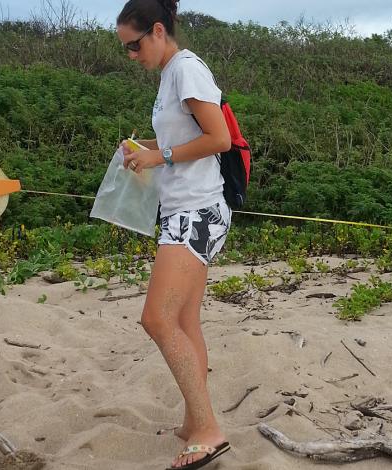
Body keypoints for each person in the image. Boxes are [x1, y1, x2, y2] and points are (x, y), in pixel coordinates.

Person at [116, 0, 232, 468]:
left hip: (197, 211)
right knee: (184, 321)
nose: (131, 55)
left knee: (157, 320)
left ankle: (208, 429)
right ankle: (194, 417)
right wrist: (144, 147)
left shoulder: (186, 69)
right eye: (125, 48)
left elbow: (218, 138)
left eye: (134, 45)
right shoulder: (169, 76)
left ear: (158, 30)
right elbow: (181, 140)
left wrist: (159, 158)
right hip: (181, 209)